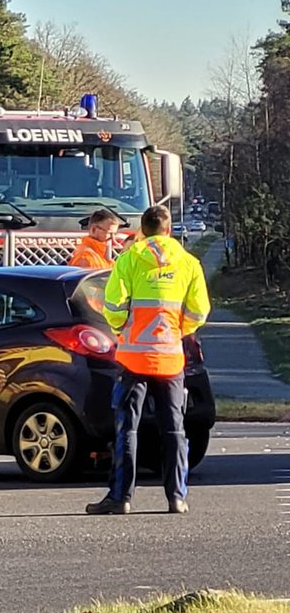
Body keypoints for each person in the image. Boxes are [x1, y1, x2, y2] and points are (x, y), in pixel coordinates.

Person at [87, 204, 210, 516]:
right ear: (168, 230)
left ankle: (121, 498)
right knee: (174, 430)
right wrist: (177, 330)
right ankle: (176, 497)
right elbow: (199, 310)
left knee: (127, 429)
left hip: (133, 359)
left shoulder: (129, 259)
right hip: (170, 359)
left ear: (143, 229)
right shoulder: (189, 262)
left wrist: (122, 329)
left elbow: (112, 304)